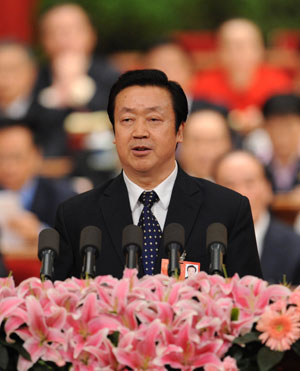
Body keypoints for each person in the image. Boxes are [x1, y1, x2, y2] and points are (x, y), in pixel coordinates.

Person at [53, 69, 262, 280]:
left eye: (153, 119)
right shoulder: (76, 217)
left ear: (179, 131)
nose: (139, 132)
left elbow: (247, 302)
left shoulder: (228, 211)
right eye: (127, 120)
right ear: (114, 133)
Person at [191, 18, 292, 135]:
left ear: (260, 50)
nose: (236, 53)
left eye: (243, 46)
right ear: (219, 50)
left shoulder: (279, 82)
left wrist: (265, 119)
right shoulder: (203, 84)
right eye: (229, 46)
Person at [214, 150, 300, 285]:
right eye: (229, 184)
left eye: (250, 183)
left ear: (268, 189)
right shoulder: (202, 242)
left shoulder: (295, 246)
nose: (241, 193)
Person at [0, 123, 76, 248]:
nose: (8, 167)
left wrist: (40, 233)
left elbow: (76, 243)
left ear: (36, 156)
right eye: (1, 158)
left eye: (16, 157)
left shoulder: (63, 198)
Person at [36, 3, 119, 111]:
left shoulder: (110, 76)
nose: (62, 40)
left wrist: (72, 84)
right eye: (54, 32)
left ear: (91, 35)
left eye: (70, 31)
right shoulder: (34, 78)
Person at [178, 106, 232, 180]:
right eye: (196, 141)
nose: (204, 149)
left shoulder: (239, 187)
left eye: (213, 141)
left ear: (228, 144)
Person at [262, 94, 300, 193]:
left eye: (288, 126)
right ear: (265, 127)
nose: (282, 133)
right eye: (275, 126)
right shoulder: (258, 161)